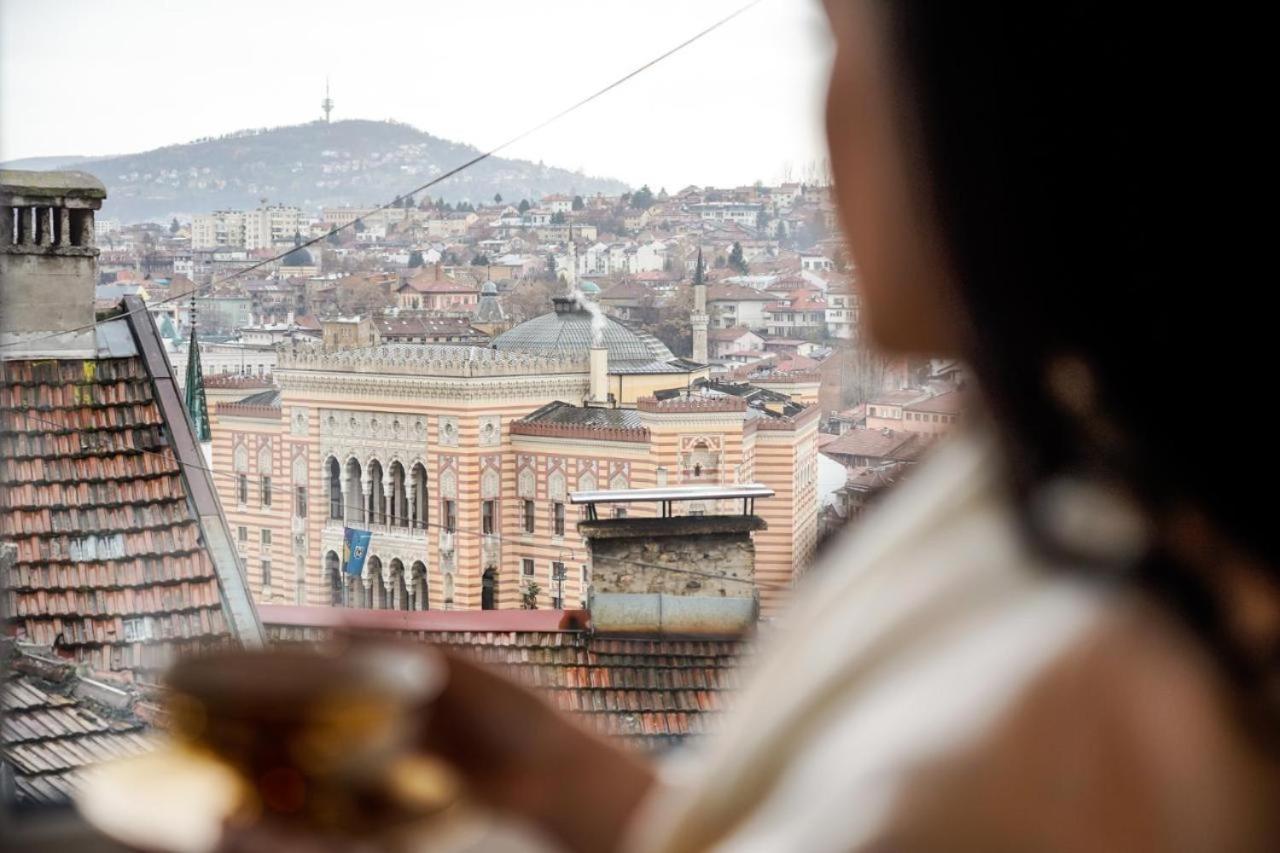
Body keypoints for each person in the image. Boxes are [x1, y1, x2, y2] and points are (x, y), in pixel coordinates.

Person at [432, 2, 1280, 850]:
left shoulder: (1088, 682)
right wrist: (557, 774)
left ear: (987, 89)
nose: (829, 119)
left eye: (841, 41)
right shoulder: (1070, 483)